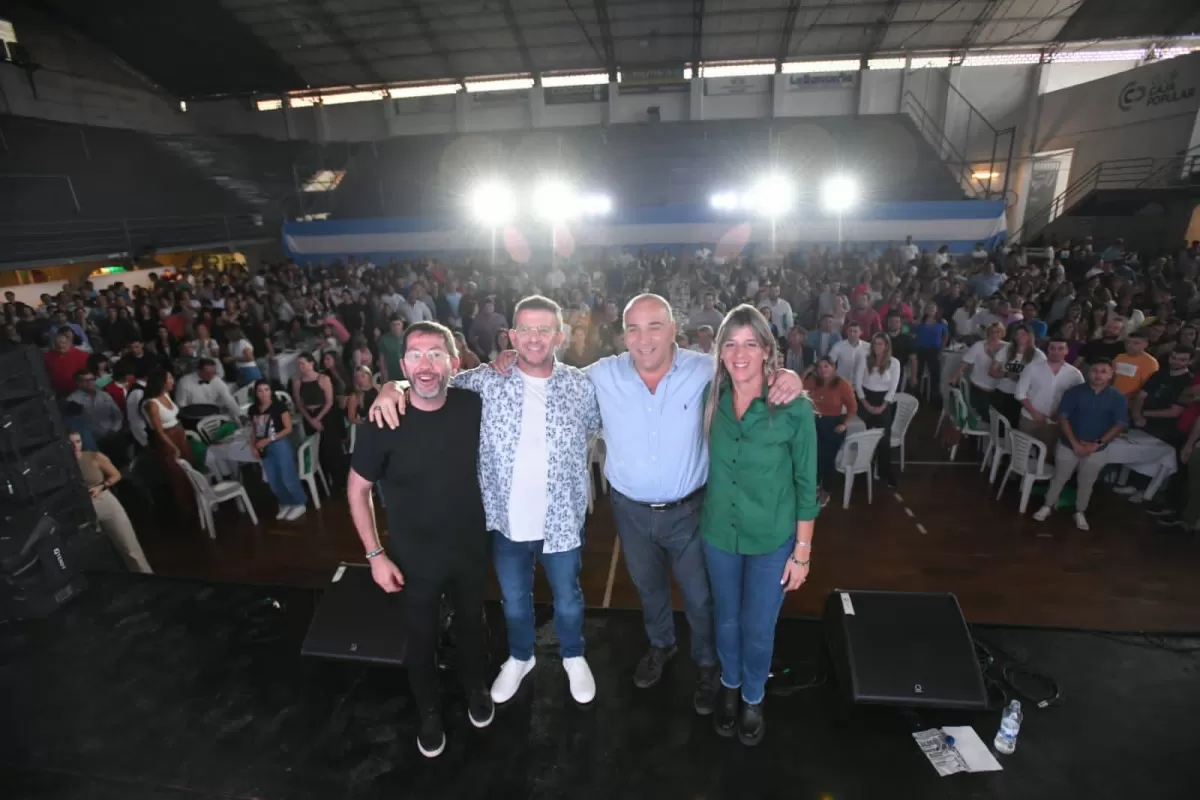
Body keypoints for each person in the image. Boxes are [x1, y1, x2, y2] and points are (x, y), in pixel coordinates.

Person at [370, 294, 807, 716]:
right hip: (593, 515)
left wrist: (787, 376)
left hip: (684, 511)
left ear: (675, 329)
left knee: (695, 598)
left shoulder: (693, 371)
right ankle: (646, 648)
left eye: (656, 326)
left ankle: (707, 668)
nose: (645, 337)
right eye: (633, 328)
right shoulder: (568, 377)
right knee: (629, 593)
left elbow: (748, 369)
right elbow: (438, 383)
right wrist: (395, 385)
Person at [360, 297, 603, 705]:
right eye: (525, 329)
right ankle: (521, 656)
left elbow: (602, 427)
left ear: (559, 336)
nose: (534, 338)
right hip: (504, 523)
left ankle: (574, 655)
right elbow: (431, 379)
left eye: (544, 330)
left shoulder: (581, 385)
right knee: (513, 601)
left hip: (561, 520)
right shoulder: (485, 382)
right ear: (511, 335)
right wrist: (391, 386)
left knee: (568, 598)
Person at [347, 321, 493, 759]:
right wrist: (375, 556)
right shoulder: (383, 418)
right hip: (414, 559)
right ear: (402, 363)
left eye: (435, 355)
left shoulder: (472, 403)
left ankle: (475, 688)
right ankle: (429, 712)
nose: (425, 365)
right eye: (415, 355)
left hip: (470, 548)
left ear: (453, 361)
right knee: (421, 638)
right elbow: (357, 491)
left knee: (472, 627)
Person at [699, 305, 817, 746]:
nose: (739, 352)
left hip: (771, 540)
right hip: (719, 535)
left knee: (759, 624)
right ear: (720, 351)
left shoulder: (794, 408)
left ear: (768, 350)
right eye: (730, 343)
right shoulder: (713, 397)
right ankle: (730, 686)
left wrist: (802, 555)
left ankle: (752, 695)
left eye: (751, 343)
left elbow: (807, 487)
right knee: (726, 620)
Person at [1031, 359, 1129, 531]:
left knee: (1087, 482)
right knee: (1060, 477)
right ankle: (1047, 506)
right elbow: (1063, 418)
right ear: (1088, 373)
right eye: (1095, 370)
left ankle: (1080, 511)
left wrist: (1096, 444)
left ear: (1111, 374)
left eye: (1103, 371)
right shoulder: (1075, 392)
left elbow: (1119, 425)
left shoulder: (1118, 398)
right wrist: (1075, 443)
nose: (1098, 375)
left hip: (1097, 449)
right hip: (1069, 445)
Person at [69, 431, 152, 573]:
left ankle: (147, 577)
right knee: (97, 553)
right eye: (71, 443)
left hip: (104, 501)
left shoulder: (94, 457)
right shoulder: (62, 465)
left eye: (78, 441)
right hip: (81, 508)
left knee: (129, 547)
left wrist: (101, 486)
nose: (75, 446)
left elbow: (116, 475)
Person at [1014, 336, 1084, 458]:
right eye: (1053, 348)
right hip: (1029, 418)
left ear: (1067, 351)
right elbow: (1020, 393)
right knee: (1021, 453)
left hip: (1054, 421)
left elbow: (1079, 399)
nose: (1056, 352)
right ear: (1048, 350)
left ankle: (1038, 476)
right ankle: (1016, 476)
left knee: (1046, 455)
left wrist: (1063, 413)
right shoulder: (1032, 368)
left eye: (1060, 348)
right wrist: (1033, 412)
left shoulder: (1075, 374)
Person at [247, 379, 307, 520]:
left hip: (279, 443)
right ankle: (285, 502)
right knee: (273, 478)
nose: (263, 394)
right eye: (260, 391)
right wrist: (253, 446)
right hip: (263, 447)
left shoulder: (279, 407)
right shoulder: (253, 409)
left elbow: (288, 428)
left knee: (287, 475)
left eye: (266, 390)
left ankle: (299, 502)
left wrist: (269, 439)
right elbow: (253, 430)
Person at [804, 356, 858, 507]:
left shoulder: (842, 384)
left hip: (834, 424)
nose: (822, 370)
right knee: (813, 456)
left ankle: (826, 490)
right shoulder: (814, 381)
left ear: (833, 367)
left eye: (826, 366)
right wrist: (808, 371)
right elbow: (797, 387)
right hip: (815, 422)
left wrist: (844, 424)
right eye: (820, 367)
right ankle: (815, 486)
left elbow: (853, 407)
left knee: (827, 459)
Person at [141, 369, 196, 512]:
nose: (172, 381)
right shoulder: (151, 404)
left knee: (189, 467)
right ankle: (185, 507)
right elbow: (158, 431)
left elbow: (175, 417)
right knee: (176, 473)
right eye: (169, 379)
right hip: (166, 438)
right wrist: (172, 447)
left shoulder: (166, 395)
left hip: (178, 432)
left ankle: (196, 498)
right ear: (161, 382)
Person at [855, 332, 901, 488]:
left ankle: (884, 472)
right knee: (866, 436)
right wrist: (866, 404)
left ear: (887, 346)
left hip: (884, 401)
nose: (877, 347)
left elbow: (893, 388)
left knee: (883, 437)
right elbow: (858, 382)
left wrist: (883, 406)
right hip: (866, 398)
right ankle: (863, 469)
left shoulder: (894, 363)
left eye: (881, 344)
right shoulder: (865, 359)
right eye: (875, 344)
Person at [989, 325, 1045, 429]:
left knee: (1015, 428)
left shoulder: (1038, 356)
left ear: (1030, 336)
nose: (1019, 337)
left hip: (1023, 398)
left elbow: (1042, 380)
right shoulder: (1007, 350)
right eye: (1017, 334)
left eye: (1023, 334)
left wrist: (1022, 380)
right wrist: (1006, 374)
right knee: (999, 427)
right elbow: (992, 371)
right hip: (1002, 393)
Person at [67, 368, 126, 464]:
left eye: (92, 379)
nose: (90, 382)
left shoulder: (104, 395)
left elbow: (117, 414)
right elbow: (73, 426)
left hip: (113, 436)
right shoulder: (72, 400)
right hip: (93, 443)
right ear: (78, 383)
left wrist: (114, 429)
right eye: (86, 380)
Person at [952, 322, 1006, 424]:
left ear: (1002, 333)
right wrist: (955, 377)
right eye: (992, 332)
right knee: (985, 417)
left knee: (999, 419)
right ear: (988, 333)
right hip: (979, 387)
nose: (995, 335)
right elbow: (966, 362)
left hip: (998, 390)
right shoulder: (979, 345)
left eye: (998, 332)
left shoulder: (1007, 347)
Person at [174, 358, 242, 418]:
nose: (212, 376)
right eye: (208, 373)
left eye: (214, 373)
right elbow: (181, 404)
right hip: (193, 417)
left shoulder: (217, 381)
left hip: (214, 415)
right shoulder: (184, 382)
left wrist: (239, 415)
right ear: (199, 371)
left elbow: (228, 399)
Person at [910, 303, 948, 398]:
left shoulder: (941, 322)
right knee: (918, 371)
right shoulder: (920, 322)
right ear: (925, 310)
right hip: (920, 349)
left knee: (935, 372)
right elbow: (909, 331)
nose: (931, 310)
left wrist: (942, 348)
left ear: (936, 311)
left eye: (933, 308)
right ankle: (916, 393)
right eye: (929, 308)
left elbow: (946, 336)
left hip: (934, 350)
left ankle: (935, 394)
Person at [1111, 329, 1159, 399]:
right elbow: (1111, 378)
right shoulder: (1119, 357)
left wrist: (1124, 398)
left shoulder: (1151, 362)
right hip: (1112, 397)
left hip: (1130, 402)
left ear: (1146, 344)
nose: (1129, 345)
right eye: (1127, 342)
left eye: (1136, 343)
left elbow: (1146, 388)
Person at [44, 331, 90, 396]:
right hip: (56, 393)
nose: (60, 346)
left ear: (70, 343)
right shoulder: (48, 356)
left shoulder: (83, 356)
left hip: (77, 393)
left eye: (63, 343)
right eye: (57, 344)